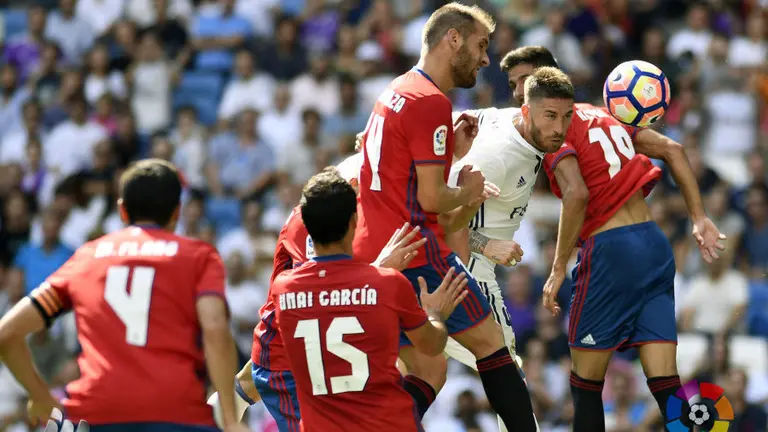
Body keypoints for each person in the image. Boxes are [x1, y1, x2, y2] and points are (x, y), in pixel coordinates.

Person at [500, 45, 726, 432]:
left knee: (585, 382)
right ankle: (714, 427)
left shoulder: (555, 128)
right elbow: (672, 148)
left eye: (526, 80)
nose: (520, 91)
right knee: (665, 380)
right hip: (654, 245)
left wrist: (557, 270)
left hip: (612, 252)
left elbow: (576, 194)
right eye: (514, 84)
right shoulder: (602, 114)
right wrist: (699, 218)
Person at [354, 3, 537, 430]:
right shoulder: (431, 102)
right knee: (492, 345)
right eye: (481, 45)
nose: (486, 58)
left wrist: (451, 152)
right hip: (416, 251)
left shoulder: (396, 89)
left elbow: (400, 176)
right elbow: (434, 199)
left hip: (376, 248)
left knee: (428, 370)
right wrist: (469, 190)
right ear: (452, 39)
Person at [0, 159, 250, 432]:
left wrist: (40, 396)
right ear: (177, 212)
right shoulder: (199, 256)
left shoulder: (87, 257)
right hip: (177, 414)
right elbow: (215, 327)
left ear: (122, 210)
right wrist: (229, 416)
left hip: (95, 416)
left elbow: (7, 332)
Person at [207, 153, 434, 430]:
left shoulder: (340, 213)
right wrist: (382, 270)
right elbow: (320, 292)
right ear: (352, 184)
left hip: (321, 336)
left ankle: (215, 408)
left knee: (430, 367)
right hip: (290, 351)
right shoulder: (310, 224)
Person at [273, 168, 468, 432]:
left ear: (306, 227)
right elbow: (432, 345)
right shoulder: (387, 283)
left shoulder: (283, 290)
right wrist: (435, 313)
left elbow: (329, 295)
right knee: (432, 367)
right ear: (355, 221)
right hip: (388, 425)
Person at [440, 66, 576, 432]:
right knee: (503, 361)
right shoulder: (497, 157)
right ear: (528, 112)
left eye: (566, 117)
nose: (559, 128)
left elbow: (455, 121)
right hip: (464, 265)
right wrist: (488, 245)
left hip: (463, 263)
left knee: (426, 365)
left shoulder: (508, 120)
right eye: (550, 116)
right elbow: (438, 220)